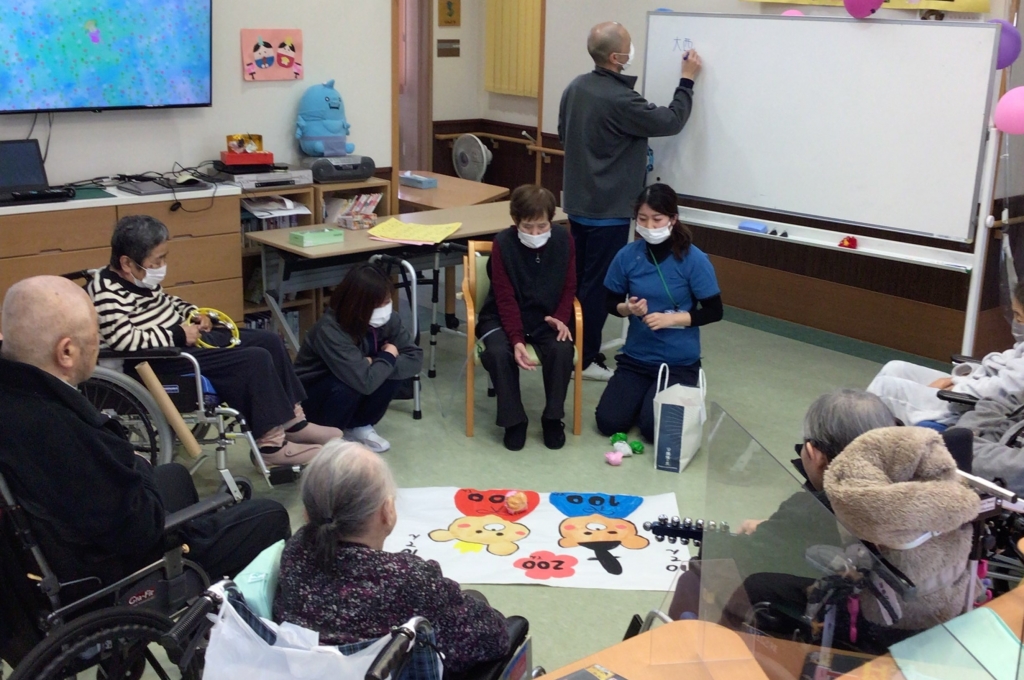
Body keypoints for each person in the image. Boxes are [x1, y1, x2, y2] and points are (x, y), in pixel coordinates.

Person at [0, 276, 291, 588]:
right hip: (116, 571)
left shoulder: (17, 397)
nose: (100, 345)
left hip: (58, 545)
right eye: (97, 337)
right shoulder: (63, 431)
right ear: (67, 352)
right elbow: (139, 530)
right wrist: (135, 461)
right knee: (269, 515)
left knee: (175, 475)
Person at [86, 215, 338, 466]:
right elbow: (123, 340)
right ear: (127, 263)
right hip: (155, 360)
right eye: (157, 260)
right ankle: (271, 445)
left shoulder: (138, 280)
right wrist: (178, 334)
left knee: (268, 340)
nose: (162, 264)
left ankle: (293, 422)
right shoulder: (106, 291)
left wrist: (194, 314)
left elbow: (167, 303)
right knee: (254, 359)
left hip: (179, 341)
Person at [274, 441, 513, 675]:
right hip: (390, 671)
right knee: (480, 607)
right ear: (387, 512)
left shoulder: (295, 550)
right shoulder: (408, 578)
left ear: (307, 512)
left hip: (309, 669)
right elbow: (495, 639)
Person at [668, 389, 895, 620]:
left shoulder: (807, 510)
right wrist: (774, 530)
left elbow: (745, 558)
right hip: (877, 622)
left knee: (694, 578)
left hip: (815, 619)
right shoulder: (905, 504)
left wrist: (713, 542)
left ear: (813, 453)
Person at [559, 21, 702, 382]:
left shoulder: (576, 87)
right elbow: (671, 120)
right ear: (616, 56)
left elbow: (564, 133)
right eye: (628, 45)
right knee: (596, 289)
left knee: (578, 283)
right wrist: (687, 80)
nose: (632, 50)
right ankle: (585, 357)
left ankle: (570, 347)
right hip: (607, 210)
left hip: (578, 203)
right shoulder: (620, 98)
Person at [595, 183, 722, 442]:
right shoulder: (628, 256)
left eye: (657, 219)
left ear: (672, 219)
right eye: (643, 219)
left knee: (653, 431)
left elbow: (714, 311)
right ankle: (642, 397)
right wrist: (627, 308)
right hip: (636, 358)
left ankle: (671, 395)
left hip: (678, 363)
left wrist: (671, 319)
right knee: (608, 422)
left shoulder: (694, 259)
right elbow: (611, 302)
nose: (649, 226)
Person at [476, 185, 577, 451]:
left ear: (552, 220)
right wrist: (517, 339)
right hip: (501, 315)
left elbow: (569, 286)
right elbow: (505, 297)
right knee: (498, 352)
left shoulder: (564, 240)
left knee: (562, 348)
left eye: (542, 226)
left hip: (547, 317)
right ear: (515, 222)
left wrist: (560, 318)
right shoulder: (503, 244)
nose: (535, 233)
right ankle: (514, 420)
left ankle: (553, 419)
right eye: (528, 227)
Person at [293, 264, 423, 453]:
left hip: (354, 381)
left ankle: (358, 425)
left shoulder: (389, 321)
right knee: (351, 382)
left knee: (387, 373)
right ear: (358, 305)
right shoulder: (330, 329)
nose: (384, 309)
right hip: (314, 396)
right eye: (378, 305)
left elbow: (415, 358)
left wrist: (376, 364)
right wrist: (386, 357)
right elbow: (363, 381)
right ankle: (330, 433)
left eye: (387, 302)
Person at [868, 281, 1024, 426]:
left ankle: (858, 444)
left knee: (884, 388)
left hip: (972, 407)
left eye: (1019, 316)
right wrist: (959, 378)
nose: (1015, 322)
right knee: (896, 367)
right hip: (974, 385)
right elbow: (1005, 368)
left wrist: (956, 384)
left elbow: (1001, 391)